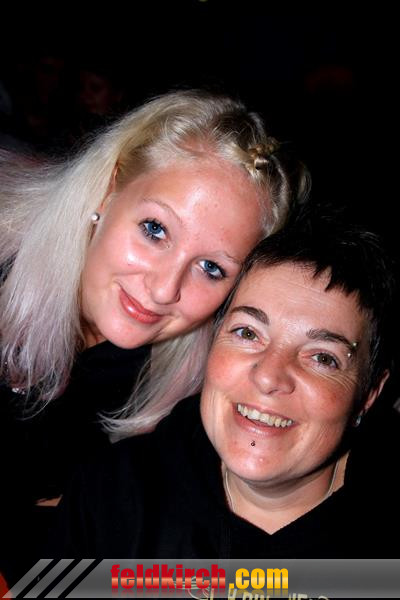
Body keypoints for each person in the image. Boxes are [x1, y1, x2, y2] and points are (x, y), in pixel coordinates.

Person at [0, 89, 309, 557]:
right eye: (155, 230)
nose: (164, 290)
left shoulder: (181, 396)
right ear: (109, 190)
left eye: (211, 268)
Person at [50, 218, 399, 558]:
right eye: (247, 333)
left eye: (322, 358)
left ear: (369, 395)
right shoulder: (110, 495)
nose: (268, 377)